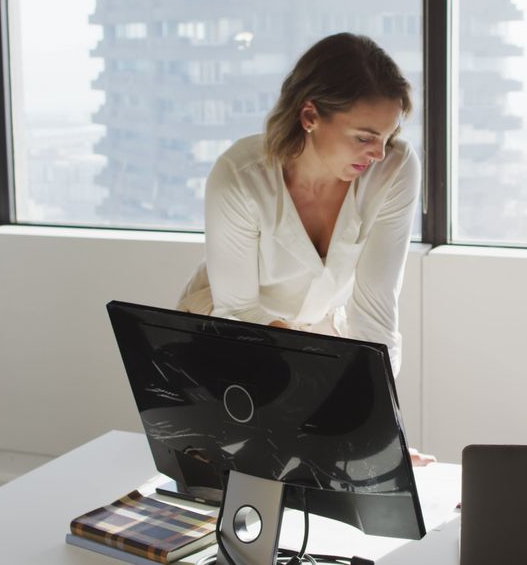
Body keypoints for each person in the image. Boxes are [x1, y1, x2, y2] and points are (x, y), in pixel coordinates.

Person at [177, 33, 419, 379]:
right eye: (364, 137)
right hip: (232, 326)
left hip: (319, 333)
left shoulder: (393, 169)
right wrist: (302, 362)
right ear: (309, 115)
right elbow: (238, 310)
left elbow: (375, 310)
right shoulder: (241, 176)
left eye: (388, 136)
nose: (379, 153)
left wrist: (376, 395)